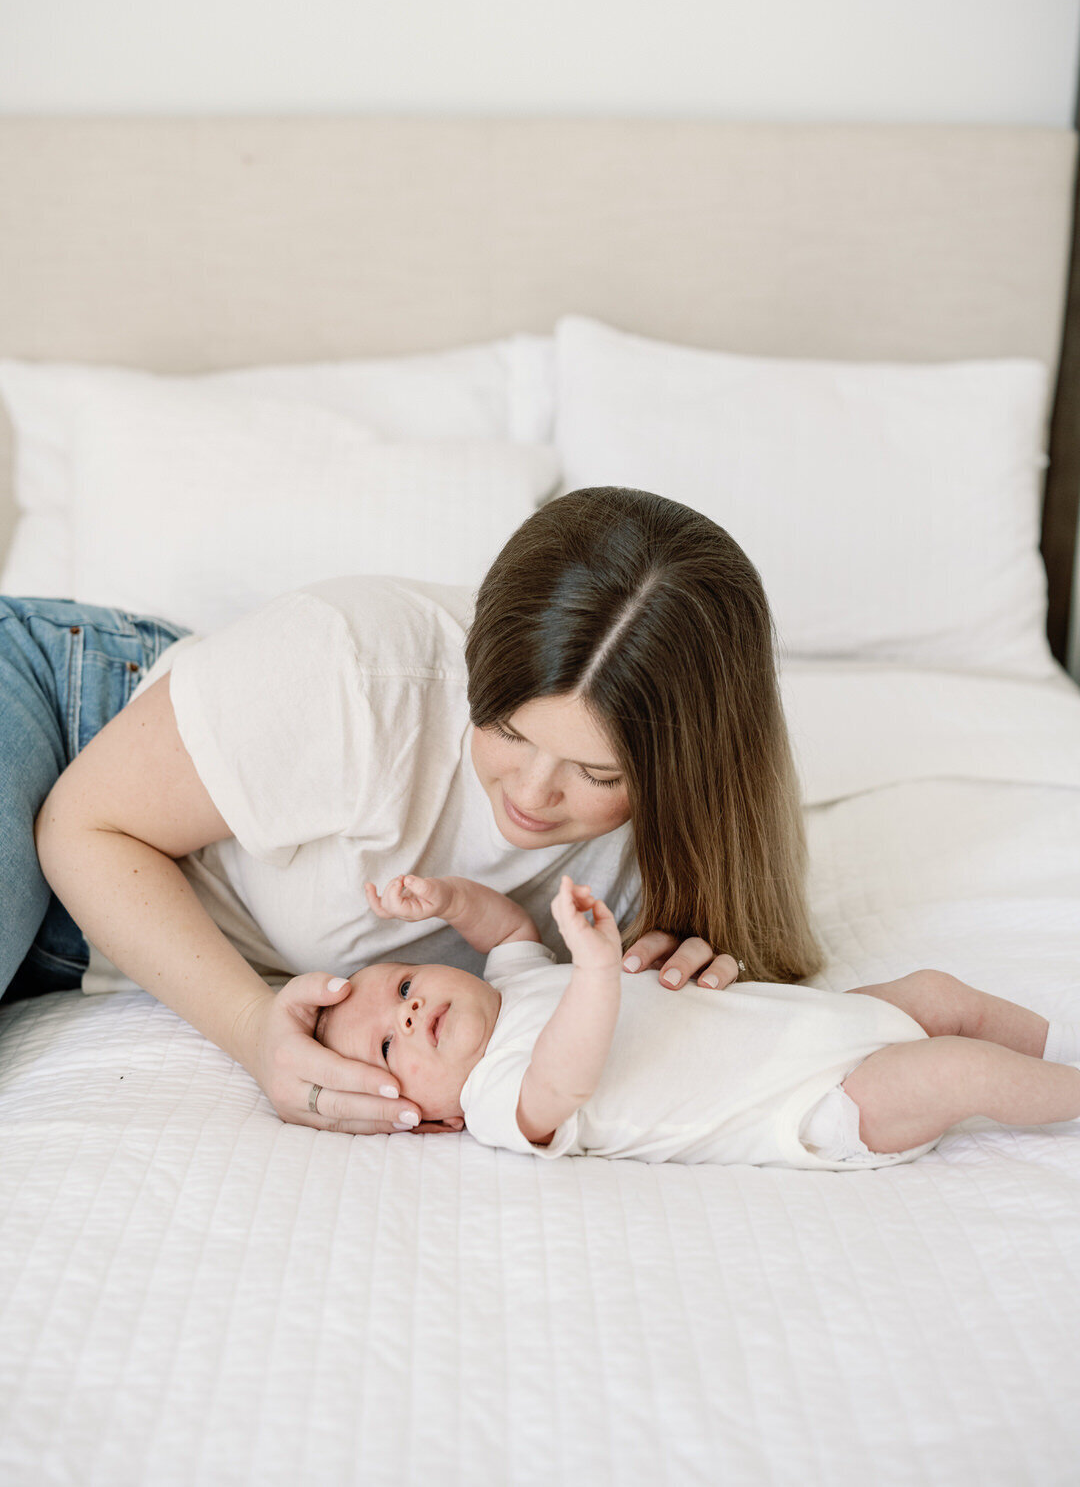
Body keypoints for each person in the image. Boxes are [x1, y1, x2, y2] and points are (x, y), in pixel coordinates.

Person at [4, 486, 820, 1136]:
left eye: (597, 774)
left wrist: (689, 983)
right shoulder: (355, 669)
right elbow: (82, 827)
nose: (534, 796)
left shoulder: (684, 843)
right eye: (506, 730)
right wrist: (255, 1031)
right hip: (72, 727)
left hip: (107, 942)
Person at [314, 869, 1080, 1168]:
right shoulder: (493, 1100)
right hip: (819, 1104)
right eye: (388, 1044)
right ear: (430, 1120)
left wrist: (448, 901)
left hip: (824, 1023)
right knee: (959, 1072)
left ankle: (1062, 1045)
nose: (409, 1013)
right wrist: (594, 969)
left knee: (939, 992)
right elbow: (566, 1077)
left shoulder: (513, 984)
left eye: (404, 982)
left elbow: (507, 929)